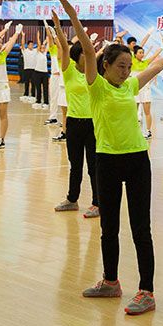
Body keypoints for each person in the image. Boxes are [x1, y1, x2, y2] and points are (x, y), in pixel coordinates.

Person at [61, 0, 163, 316]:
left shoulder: (129, 87)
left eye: (129, 67)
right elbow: (87, 49)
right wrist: (72, 13)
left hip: (137, 161)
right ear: (105, 66)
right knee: (109, 227)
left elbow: (154, 68)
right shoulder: (96, 87)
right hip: (108, 161)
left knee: (141, 228)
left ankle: (147, 290)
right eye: (121, 66)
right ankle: (111, 281)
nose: (127, 72)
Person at [50, 13, 100, 218]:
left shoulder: (93, 72)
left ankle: (98, 202)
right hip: (74, 123)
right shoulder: (69, 72)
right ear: (77, 56)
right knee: (75, 164)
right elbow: (63, 46)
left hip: (93, 124)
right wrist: (58, 28)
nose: (88, 57)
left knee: (94, 166)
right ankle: (72, 199)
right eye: (84, 55)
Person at [131, 42, 162, 139]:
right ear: (135, 54)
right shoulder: (132, 61)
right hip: (135, 88)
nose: (142, 54)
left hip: (145, 89)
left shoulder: (146, 62)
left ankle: (148, 131)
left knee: (147, 112)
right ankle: (133, 131)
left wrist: (162, 46)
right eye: (140, 52)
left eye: (143, 52)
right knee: (133, 112)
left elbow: (155, 55)